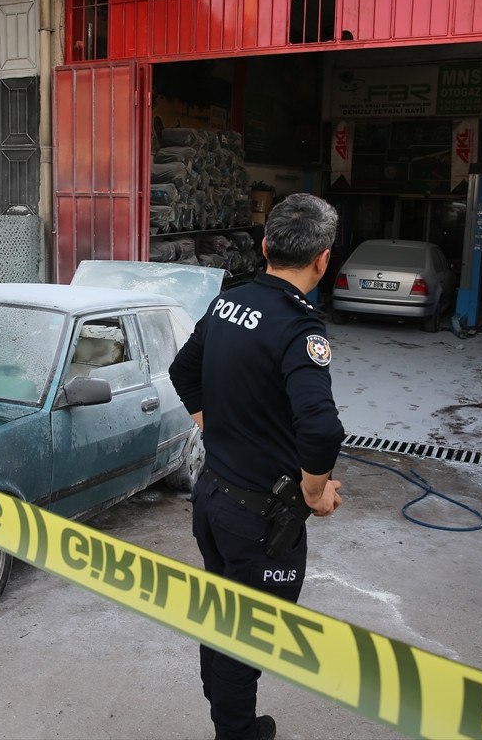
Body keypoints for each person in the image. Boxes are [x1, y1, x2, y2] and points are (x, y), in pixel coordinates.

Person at [169, 193, 346, 740]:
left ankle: (223, 704)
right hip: (261, 522)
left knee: (221, 614)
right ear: (323, 259)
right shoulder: (299, 329)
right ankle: (236, 730)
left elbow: (182, 371)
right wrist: (315, 493)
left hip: (213, 498)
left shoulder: (229, 303)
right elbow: (321, 428)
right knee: (248, 636)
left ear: (266, 246)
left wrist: (217, 427)